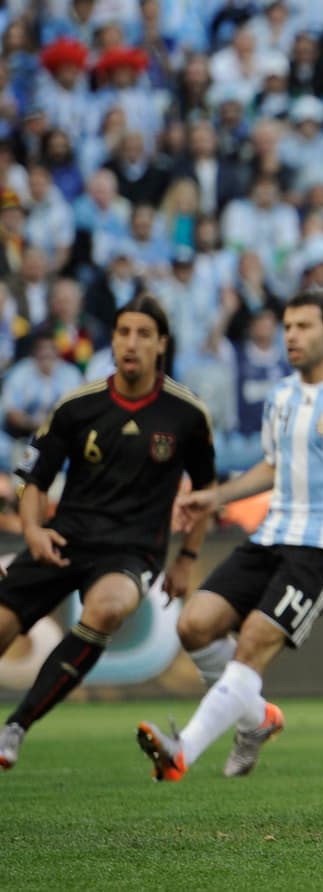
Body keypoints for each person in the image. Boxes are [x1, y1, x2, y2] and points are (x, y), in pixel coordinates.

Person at [135, 289, 323, 781]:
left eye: (303, 326)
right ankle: (255, 719)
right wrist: (217, 497)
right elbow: (274, 466)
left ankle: (182, 750)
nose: (291, 336)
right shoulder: (281, 395)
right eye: (287, 327)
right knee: (194, 624)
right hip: (270, 535)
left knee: (253, 640)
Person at [0, 296, 216, 770]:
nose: (131, 343)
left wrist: (185, 559)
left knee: (110, 606)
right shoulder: (78, 406)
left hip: (131, 550)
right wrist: (33, 531)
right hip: (64, 537)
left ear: (162, 344)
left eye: (143, 334)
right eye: (123, 333)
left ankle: (15, 726)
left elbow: (205, 490)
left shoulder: (186, 414)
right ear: (113, 341)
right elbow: (33, 478)